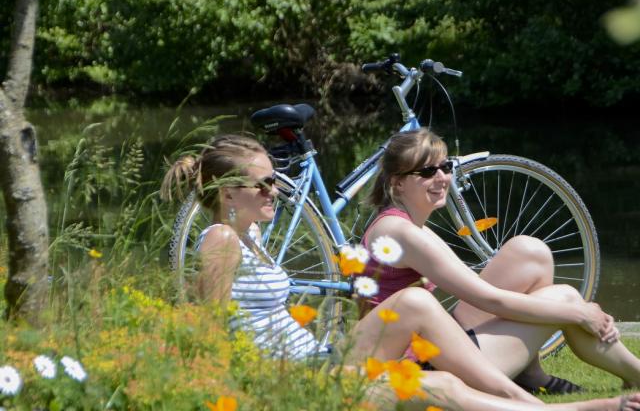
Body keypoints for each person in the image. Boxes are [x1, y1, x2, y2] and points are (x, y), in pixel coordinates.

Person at [161, 133, 640, 411]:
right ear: (228, 193)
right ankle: (564, 406)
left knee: (450, 370)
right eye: (262, 183)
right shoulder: (222, 240)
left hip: (320, 355)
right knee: (430, 324)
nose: (275, 191)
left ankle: (550, 399)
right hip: (302, 370)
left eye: (274, 180)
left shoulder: (252, 239)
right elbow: (210, 329)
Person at [355, 127, 640, 399]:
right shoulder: (403, 233)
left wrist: (578, 311)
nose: (442, 178)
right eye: (428, 171)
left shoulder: (406, 224)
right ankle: (636, 374)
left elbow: (472, 285)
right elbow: (489, 300)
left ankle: (529, 373)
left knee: (530, 253)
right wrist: (579, 313)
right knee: (565, 298)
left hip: (430, 343)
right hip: (424, 365)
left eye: (446, 167)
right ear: (397, 182)